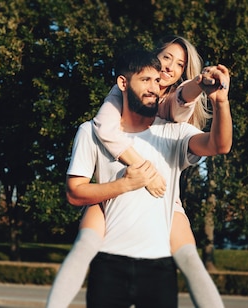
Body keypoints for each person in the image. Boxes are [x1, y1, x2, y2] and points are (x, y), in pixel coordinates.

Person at [46, 36, 224, 308]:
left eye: (179, 64)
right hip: (119, 190)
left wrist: (202, 84)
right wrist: (141, 173)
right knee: (84, 245)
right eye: (166, 58)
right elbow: (103, 128)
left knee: (189, 258)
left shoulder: (170, 107)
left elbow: (184, 97)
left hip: (164, 198)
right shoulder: (118, 95)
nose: (169, 68)